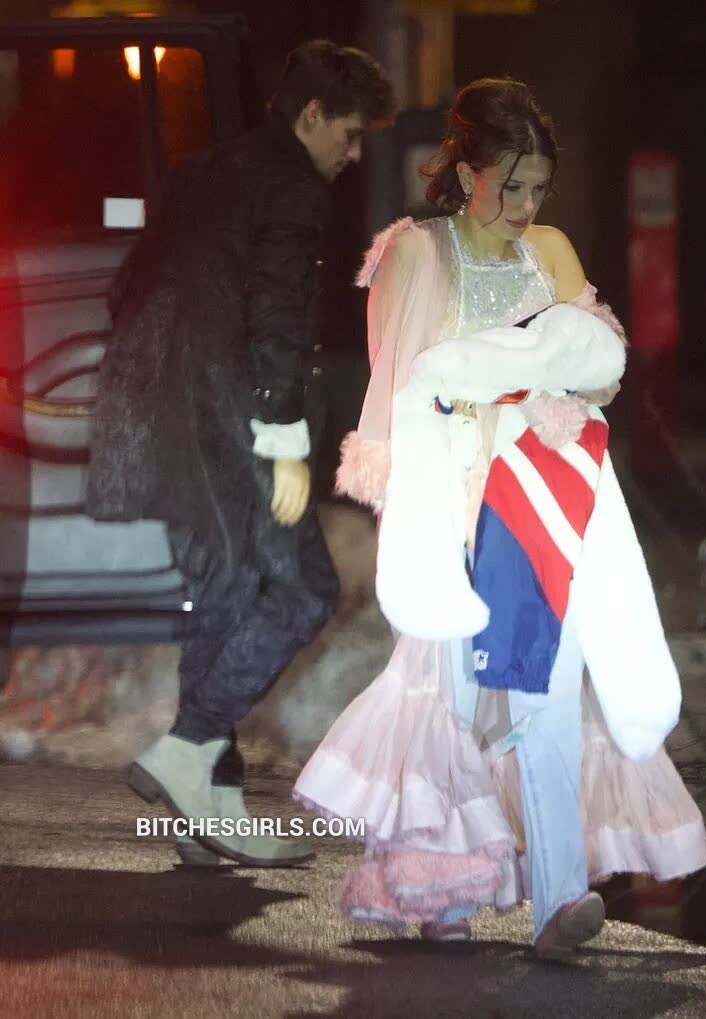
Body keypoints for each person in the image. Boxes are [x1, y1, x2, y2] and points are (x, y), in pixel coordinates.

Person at [294, 78, 706, 954]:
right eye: (510, 184)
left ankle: (558, 899)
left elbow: (599, 372)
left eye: (539, 187)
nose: (526, 205)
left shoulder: (549, 250)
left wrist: (556, 379)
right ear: (466, 172)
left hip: (544, 505)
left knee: (548, 694)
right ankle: (438, 884)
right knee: (449, 699)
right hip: (456, 510)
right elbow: (401, 389)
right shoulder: (418, 252)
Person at [87, 40, 394, 867]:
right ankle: (185, 748)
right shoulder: (292, 189)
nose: (353, 154)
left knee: (219, 594)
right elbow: (277, 321)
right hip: (236, 422)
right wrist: (286, 441)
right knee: (303, 589)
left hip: (159, 421)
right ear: (312, 115)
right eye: (351, 134)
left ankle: (207, 808)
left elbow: (125, 290)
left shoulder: (196, 173)